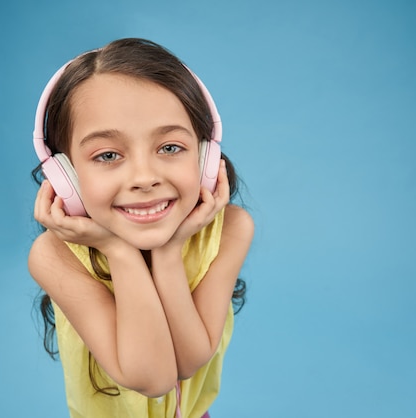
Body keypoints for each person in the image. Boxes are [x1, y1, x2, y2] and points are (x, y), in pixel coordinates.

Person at [28, 38, 254, 418]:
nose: (144, 178)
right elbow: (152, 378)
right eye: (108, 155)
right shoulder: (53, 256)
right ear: (65, 175)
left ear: (205, 157)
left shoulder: (230, 228)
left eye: (169, 148)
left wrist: (168, 251)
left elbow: (189, 361)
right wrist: (117, 250)